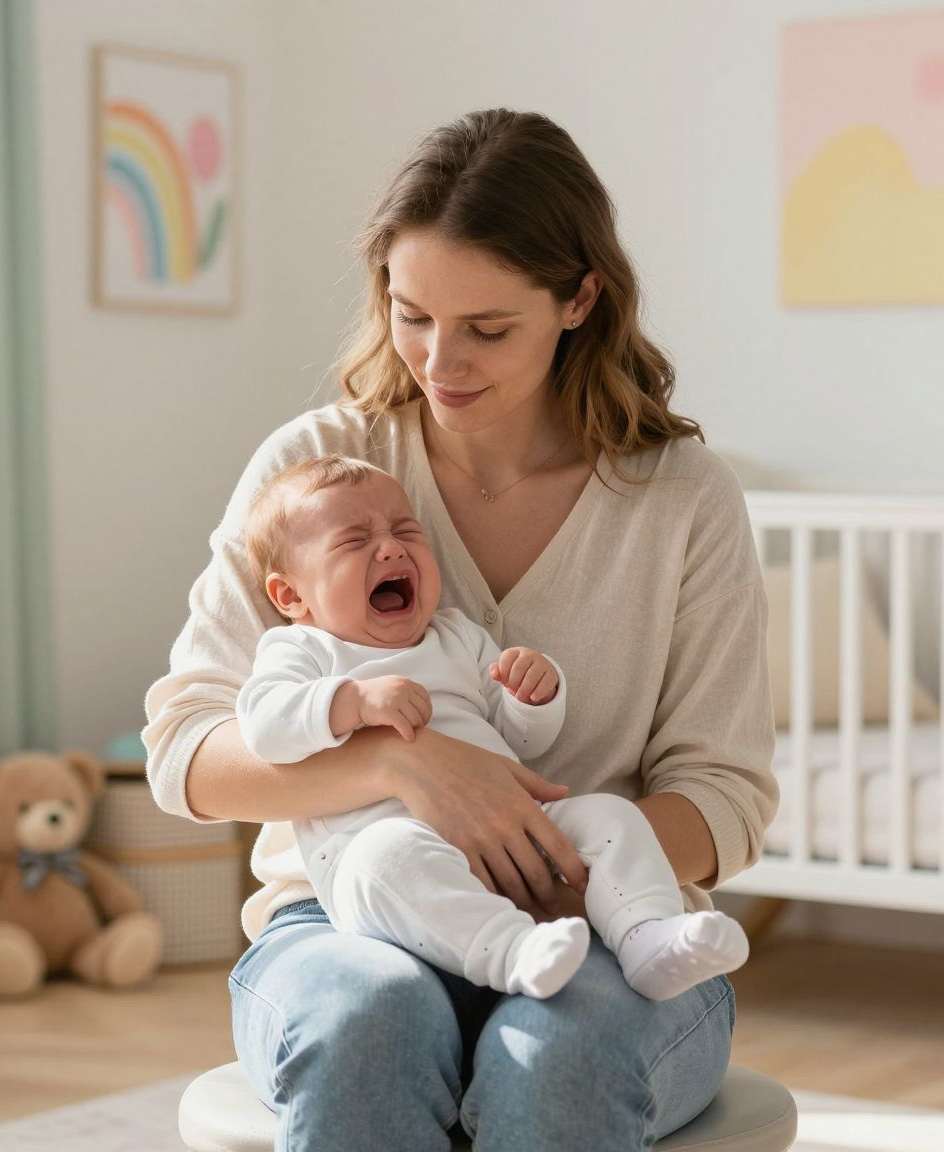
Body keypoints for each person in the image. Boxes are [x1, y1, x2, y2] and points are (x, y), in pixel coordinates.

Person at [143, 107, 775, 1151]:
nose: (441, 361)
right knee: (365, 1028)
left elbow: (725, 800)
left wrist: (538, 859)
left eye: (487, 328)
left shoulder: (679, 500)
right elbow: (185, 752)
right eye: (412, 314)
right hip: (344, 920)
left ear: (580, 299)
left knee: (557, 1060)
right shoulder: (315, 475)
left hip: (611, 931)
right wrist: (408, 771)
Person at [235, 454, 751, 1002]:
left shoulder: (455, 637)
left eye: (405, 530)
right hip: (383, 852)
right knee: (384, 858)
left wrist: (533, 698)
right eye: (354, 540)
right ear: (291, 596)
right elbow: (264, 726)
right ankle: (513, 952)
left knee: (610, 817)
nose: (390, 547)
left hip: (516, 830)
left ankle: (647, 937)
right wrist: (350, 702)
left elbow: (519, 742)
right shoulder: (302, 650)